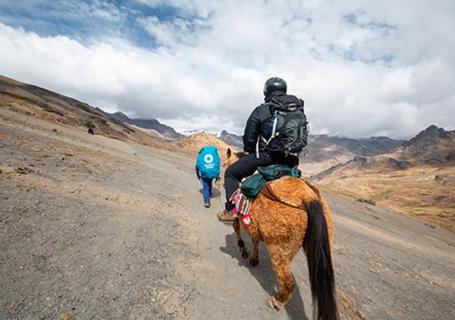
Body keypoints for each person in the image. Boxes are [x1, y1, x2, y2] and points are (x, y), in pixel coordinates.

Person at [217, 77, 306, 221]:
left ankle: (232, 210)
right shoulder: (297, 108)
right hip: (292, 159)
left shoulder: (262, 110)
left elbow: (249, 138)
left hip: (266, 157)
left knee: (231, 173)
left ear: (266, 91)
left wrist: (251, 151)